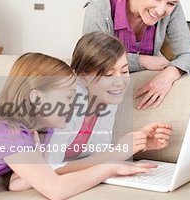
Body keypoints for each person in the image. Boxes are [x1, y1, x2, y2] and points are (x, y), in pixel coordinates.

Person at [0, 53, 158, 200]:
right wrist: (109, 168)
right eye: (68, 97)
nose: (73, 105)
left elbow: (18, 183)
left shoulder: (38, 130)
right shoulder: (7, 132)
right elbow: (55, 189)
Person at [83, 0, 190, 110]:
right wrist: (142, 61)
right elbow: (93, 59)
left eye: (171, 3)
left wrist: (171, 73)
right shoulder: (99, 6)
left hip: (141, 98)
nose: (160, 10)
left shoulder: (173, 9)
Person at [47, 31, 173, 171]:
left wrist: (139, 143)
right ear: (83, 77)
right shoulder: (67, 102)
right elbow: (51, 168)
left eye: (124, 72)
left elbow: (98, 157)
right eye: (108, 74)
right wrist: (118, 152)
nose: (120, 82)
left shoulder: (107, 101)